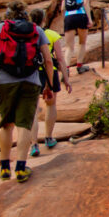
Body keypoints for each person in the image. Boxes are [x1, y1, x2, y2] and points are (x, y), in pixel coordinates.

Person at [0, 1, 55, 183]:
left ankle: (5, 168)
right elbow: (48, 60)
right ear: (25, 15)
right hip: (31, 82)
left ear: (7, 15)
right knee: (24, 125)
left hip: (6, 83)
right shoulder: (37, 31)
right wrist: (49, 86)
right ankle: (21, 168)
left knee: (6, 124)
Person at [28, 8, 72, 157]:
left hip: (31, 73)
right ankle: (48, 137)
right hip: (49, 72)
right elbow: (60, 58)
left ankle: (34, 144)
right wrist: (66, 78)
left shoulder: (26, 35)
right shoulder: (52, 35)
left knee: (33, 109)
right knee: (51, 104)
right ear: (44, 20)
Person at [62, 0, 93, 74]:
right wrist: (89, 19)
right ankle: (79, 66)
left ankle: (66, 68)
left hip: (68, 17)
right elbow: (85, 4)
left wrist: (65, 19)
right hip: (81, 16)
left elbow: (62, 8)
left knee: (69, 46)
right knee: (82, 42)